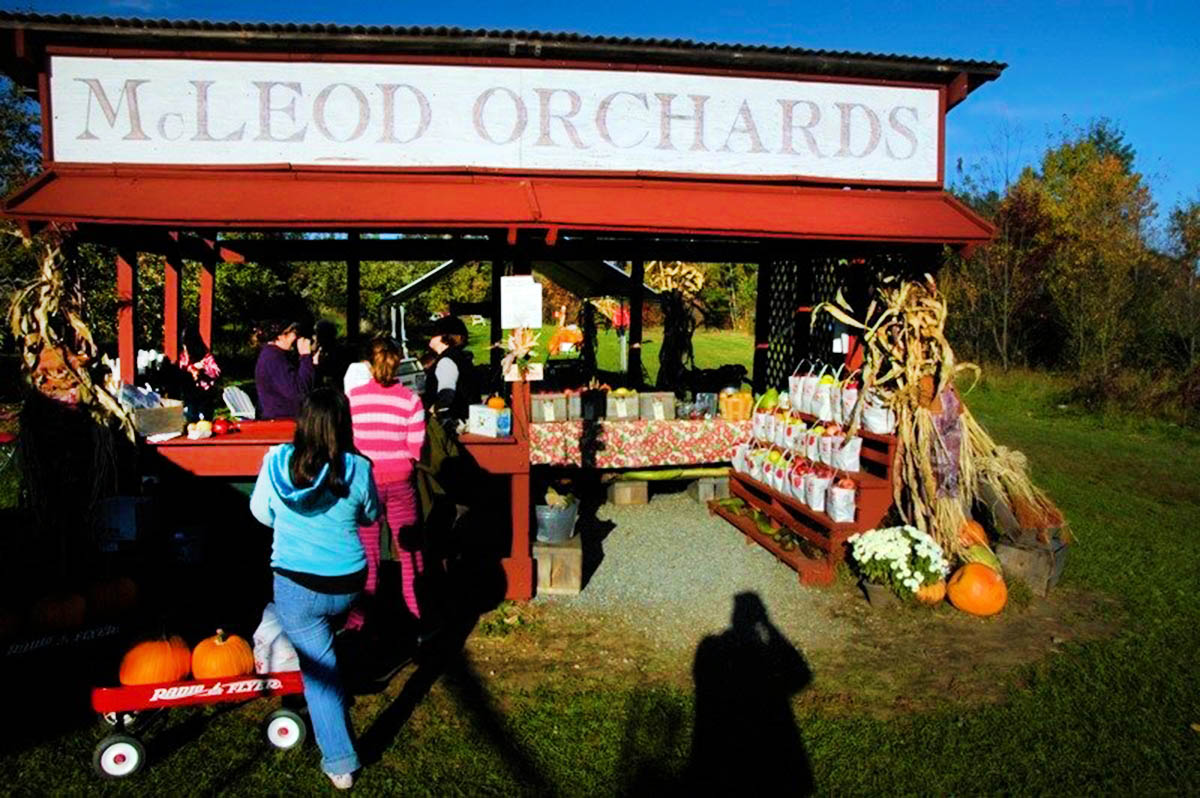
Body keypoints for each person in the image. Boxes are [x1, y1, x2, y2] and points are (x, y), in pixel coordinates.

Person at [249, 388, 379, 790]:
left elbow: (260, 512)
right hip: (348, 582)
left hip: (298, 586)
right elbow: (370, 515)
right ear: (345, 424)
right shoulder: (359, 467)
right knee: (317, 637)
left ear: (301, 422)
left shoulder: (275, 462)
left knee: (319, 674)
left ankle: (340, 761)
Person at [345, 336, 427, 632]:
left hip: (366, 484)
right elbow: (416, 448)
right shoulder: (411, 400)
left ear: (368, 363)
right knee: (409, 551)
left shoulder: (353, 399)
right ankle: (417, 614)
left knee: (367, 553)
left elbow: (348, 444)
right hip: (401, 482)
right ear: (398, 363)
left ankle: (358, 621)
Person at [423, 316, 480, 426]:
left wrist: (431, 412)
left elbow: (446, 394)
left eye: (434, 334)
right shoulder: (459, 357)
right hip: (466, 419)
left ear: (445, 337)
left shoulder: (446, 361)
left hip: (455, 423)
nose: (430, 337)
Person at [254, 320, 317, 419]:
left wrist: (312, 364)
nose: (297, 338)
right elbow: (299, 392)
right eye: (295, 333)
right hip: (282, 420)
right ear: (281, 335)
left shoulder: (277, 355)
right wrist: (305, 357)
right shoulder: (273, 358)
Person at [178, 324, 220, 423]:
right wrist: (189, 370)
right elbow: (181, 370)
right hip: (189, 394)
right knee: (190, 417)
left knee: (204, 420)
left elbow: (216, 372)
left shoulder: (206, 357)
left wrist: (203, 369)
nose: (186, 349)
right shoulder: (182, 358)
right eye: (184, 346)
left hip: (204, 395)